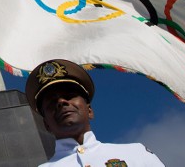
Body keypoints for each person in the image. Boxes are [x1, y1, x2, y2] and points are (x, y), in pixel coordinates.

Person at [25, 59, 165, 166]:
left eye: (69, 96)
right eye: (52, 102)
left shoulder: (136, 154)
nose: (61, 102)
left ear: (90, 110)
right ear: (46, 125)